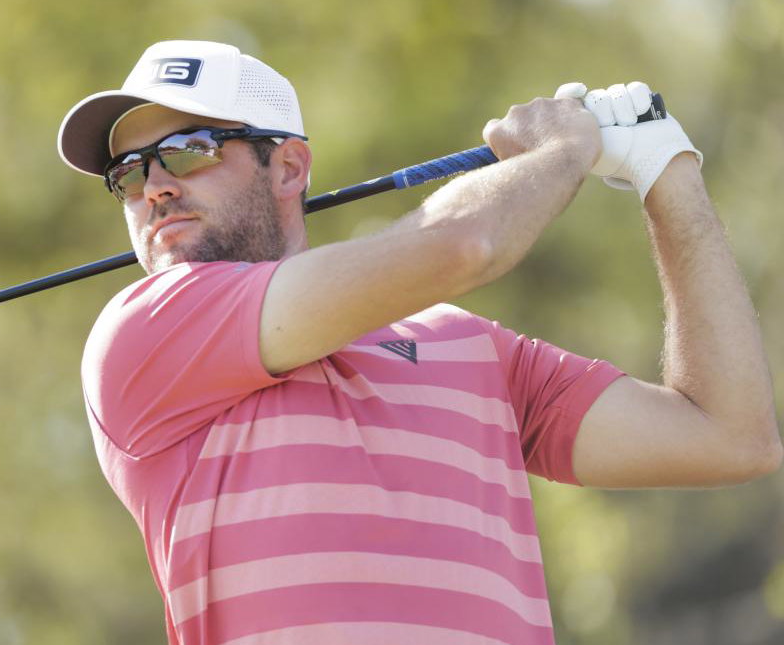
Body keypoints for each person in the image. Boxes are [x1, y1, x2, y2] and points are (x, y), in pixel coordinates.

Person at [56, 40, 780, 645]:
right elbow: (463, 243)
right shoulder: (144, 336)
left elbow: (730, 435)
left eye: (185, 152)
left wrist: (667, 171)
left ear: (288, 168)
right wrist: (561, 151)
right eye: (127, 173)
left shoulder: (471, 349)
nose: (153, 188)